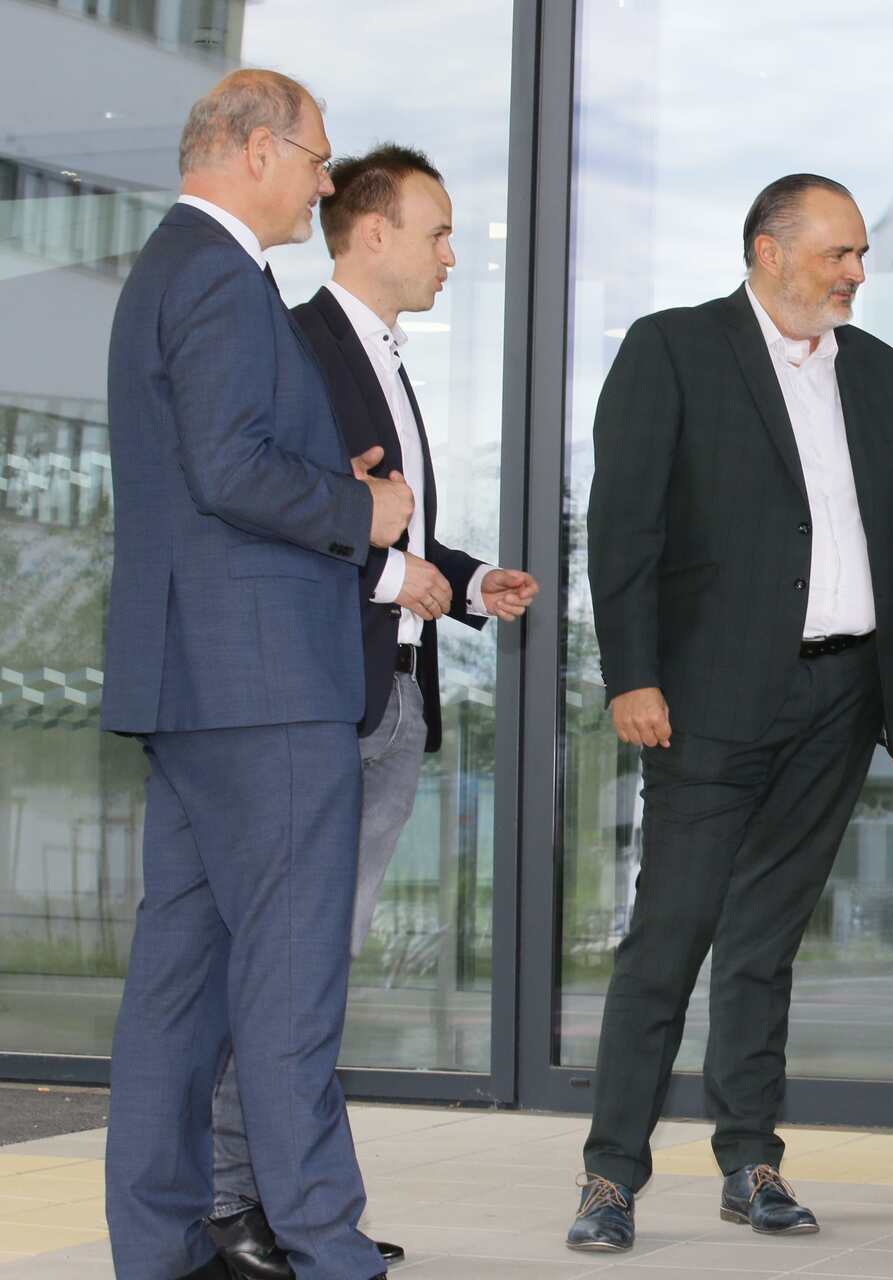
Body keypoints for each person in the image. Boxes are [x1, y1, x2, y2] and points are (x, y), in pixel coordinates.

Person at [566, 174, 893, 1250]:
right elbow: (624, 525)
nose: (856, 274)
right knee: (672, 930)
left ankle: (752, 1158)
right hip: (706, 699)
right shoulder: (672, 348)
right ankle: (610, 1172)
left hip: (843, 693)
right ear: (770, 251)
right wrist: (629, 673)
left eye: (861, 254)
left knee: (767, 939)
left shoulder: (877, 372)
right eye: (840, 253)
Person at [198, 144, 540, 1280]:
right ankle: (240, 1204)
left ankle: (287, 1203)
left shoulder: (382, 356)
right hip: (319, 697)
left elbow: (382, 522)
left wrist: (464, 575)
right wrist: (401, 578)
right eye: (438, 232)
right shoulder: (301, 347)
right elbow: (288, 516)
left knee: (318, 968)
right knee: (291, 967)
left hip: (389, 694)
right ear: (372, 233)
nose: (453, 254)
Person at [101, 70, 409, 1280]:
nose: (328, 182)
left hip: (191, 686)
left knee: (176, 993)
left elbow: (210, 467)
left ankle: (161, 1247)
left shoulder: (171, 270)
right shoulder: (226, 279)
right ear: (254, 149)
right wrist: (363, 508)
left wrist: (330, 473)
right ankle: (332, 1251)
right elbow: (231, 471)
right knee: (289, 990)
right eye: (319, 157)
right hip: (266, 686)